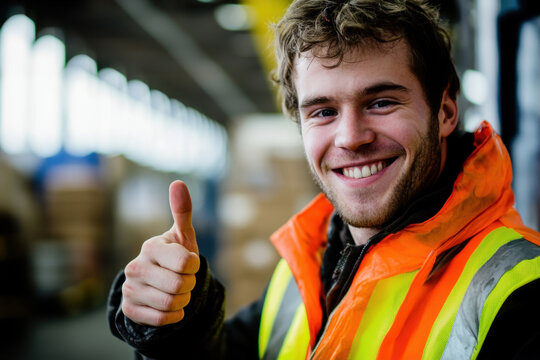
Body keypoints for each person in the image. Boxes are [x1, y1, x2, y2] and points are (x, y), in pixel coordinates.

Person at [108, 0, 540, 359]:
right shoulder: (308, 264)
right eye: (323, 112)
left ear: (445, 111)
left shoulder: (518, 293)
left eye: (382, 102)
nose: (351, 138)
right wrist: (179, 322)